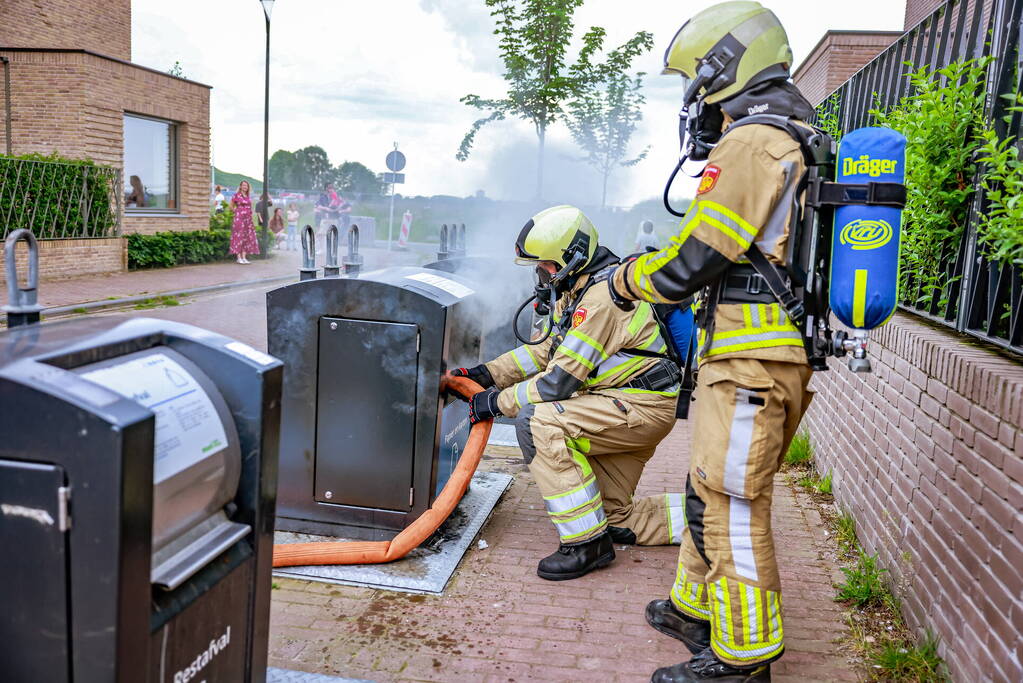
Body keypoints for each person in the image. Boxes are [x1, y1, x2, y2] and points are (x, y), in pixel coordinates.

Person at [607, 3, 816, 680]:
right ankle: (692, 609)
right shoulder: (791, 132)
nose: (692, 98)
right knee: (709, 489)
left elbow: (696, 257)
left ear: (723, 69)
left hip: (752, 361)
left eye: (693, 80)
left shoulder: (753, 141)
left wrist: (627, 280)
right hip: (754, 357)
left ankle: (743, 655)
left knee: (731, 503)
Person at [455, 205, 686, 581]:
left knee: (538, 422)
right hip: (629, 402)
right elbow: (547, 351)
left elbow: (557, 382)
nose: (541, 274)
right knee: (614, 517)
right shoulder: (580, 289)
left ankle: (586, 545)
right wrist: (488, 374)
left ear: (571, 258)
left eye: (544, 265)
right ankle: (710, 518)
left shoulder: (601, 301)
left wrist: (494, 403)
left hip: (638, 408)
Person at [229, 180, 260, 264]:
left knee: (246, 237)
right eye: (243, 185)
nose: (245, 187)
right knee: (238, 237)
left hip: (248, 219)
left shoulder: (248, 196)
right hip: (239, 219)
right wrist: (237, 212)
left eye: (246, 185)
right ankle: (238, 257)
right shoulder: (236, 195)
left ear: (248, 187)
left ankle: (244, 257)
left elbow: (250, 207)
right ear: (240, 186)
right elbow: (231, 206)